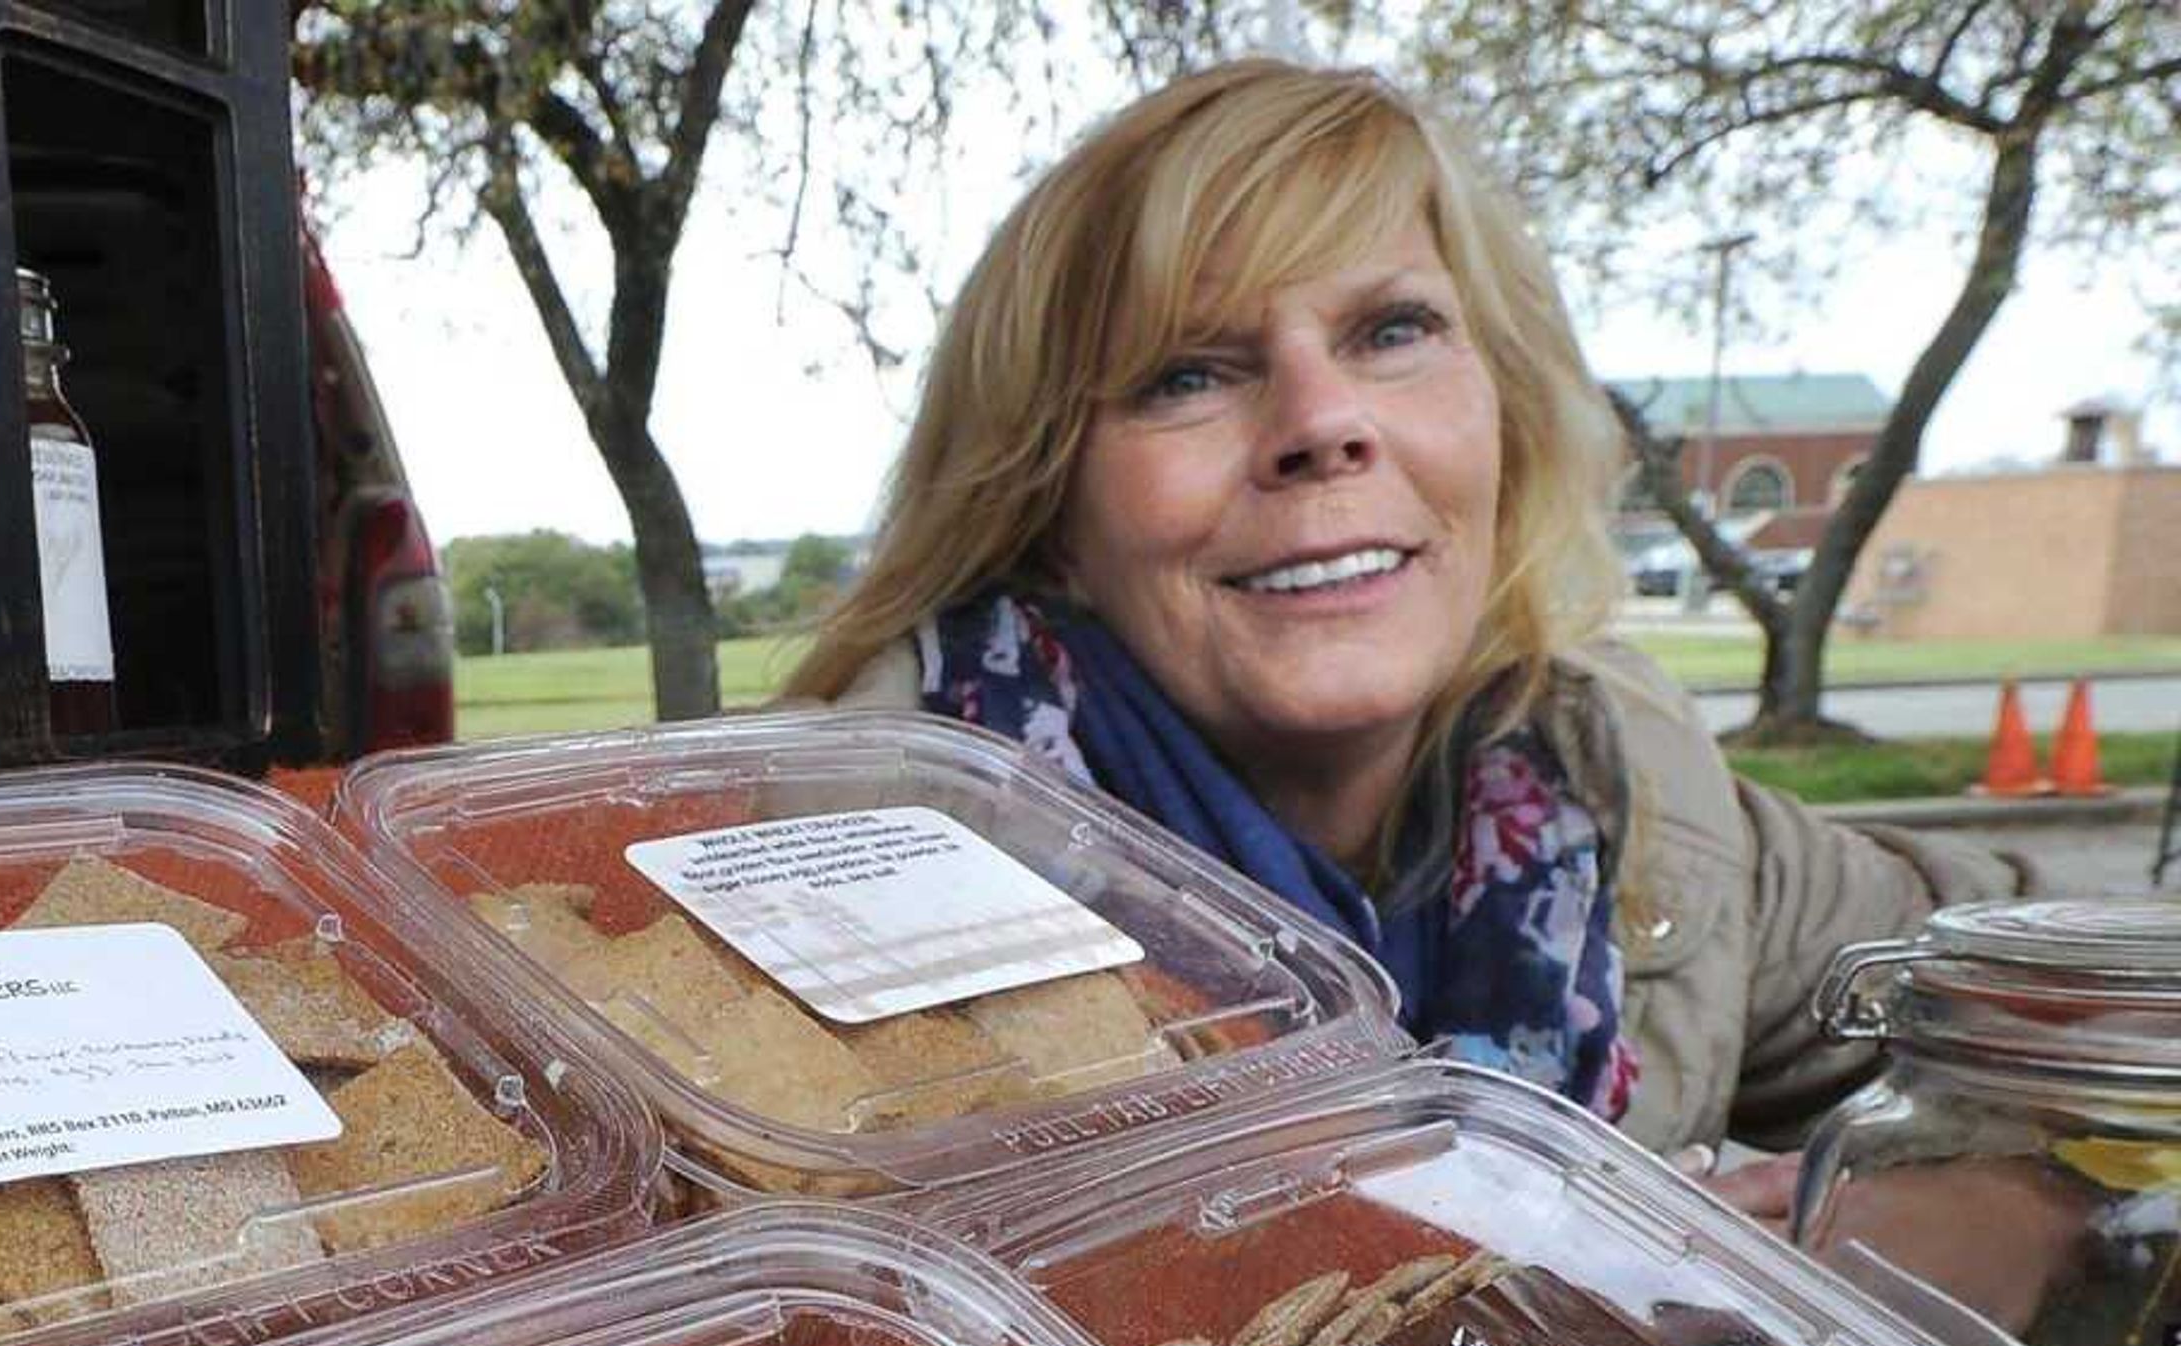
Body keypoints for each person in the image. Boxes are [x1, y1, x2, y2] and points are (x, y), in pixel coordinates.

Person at [785, 60, 2024, 1201]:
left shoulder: (1629, 794)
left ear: (1509, 418)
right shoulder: (823, 881)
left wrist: (1909, 1221)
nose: (1323, 420)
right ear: (1049, 506)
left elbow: (2075, 1015)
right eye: (1187, 374)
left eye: (1392, 332)